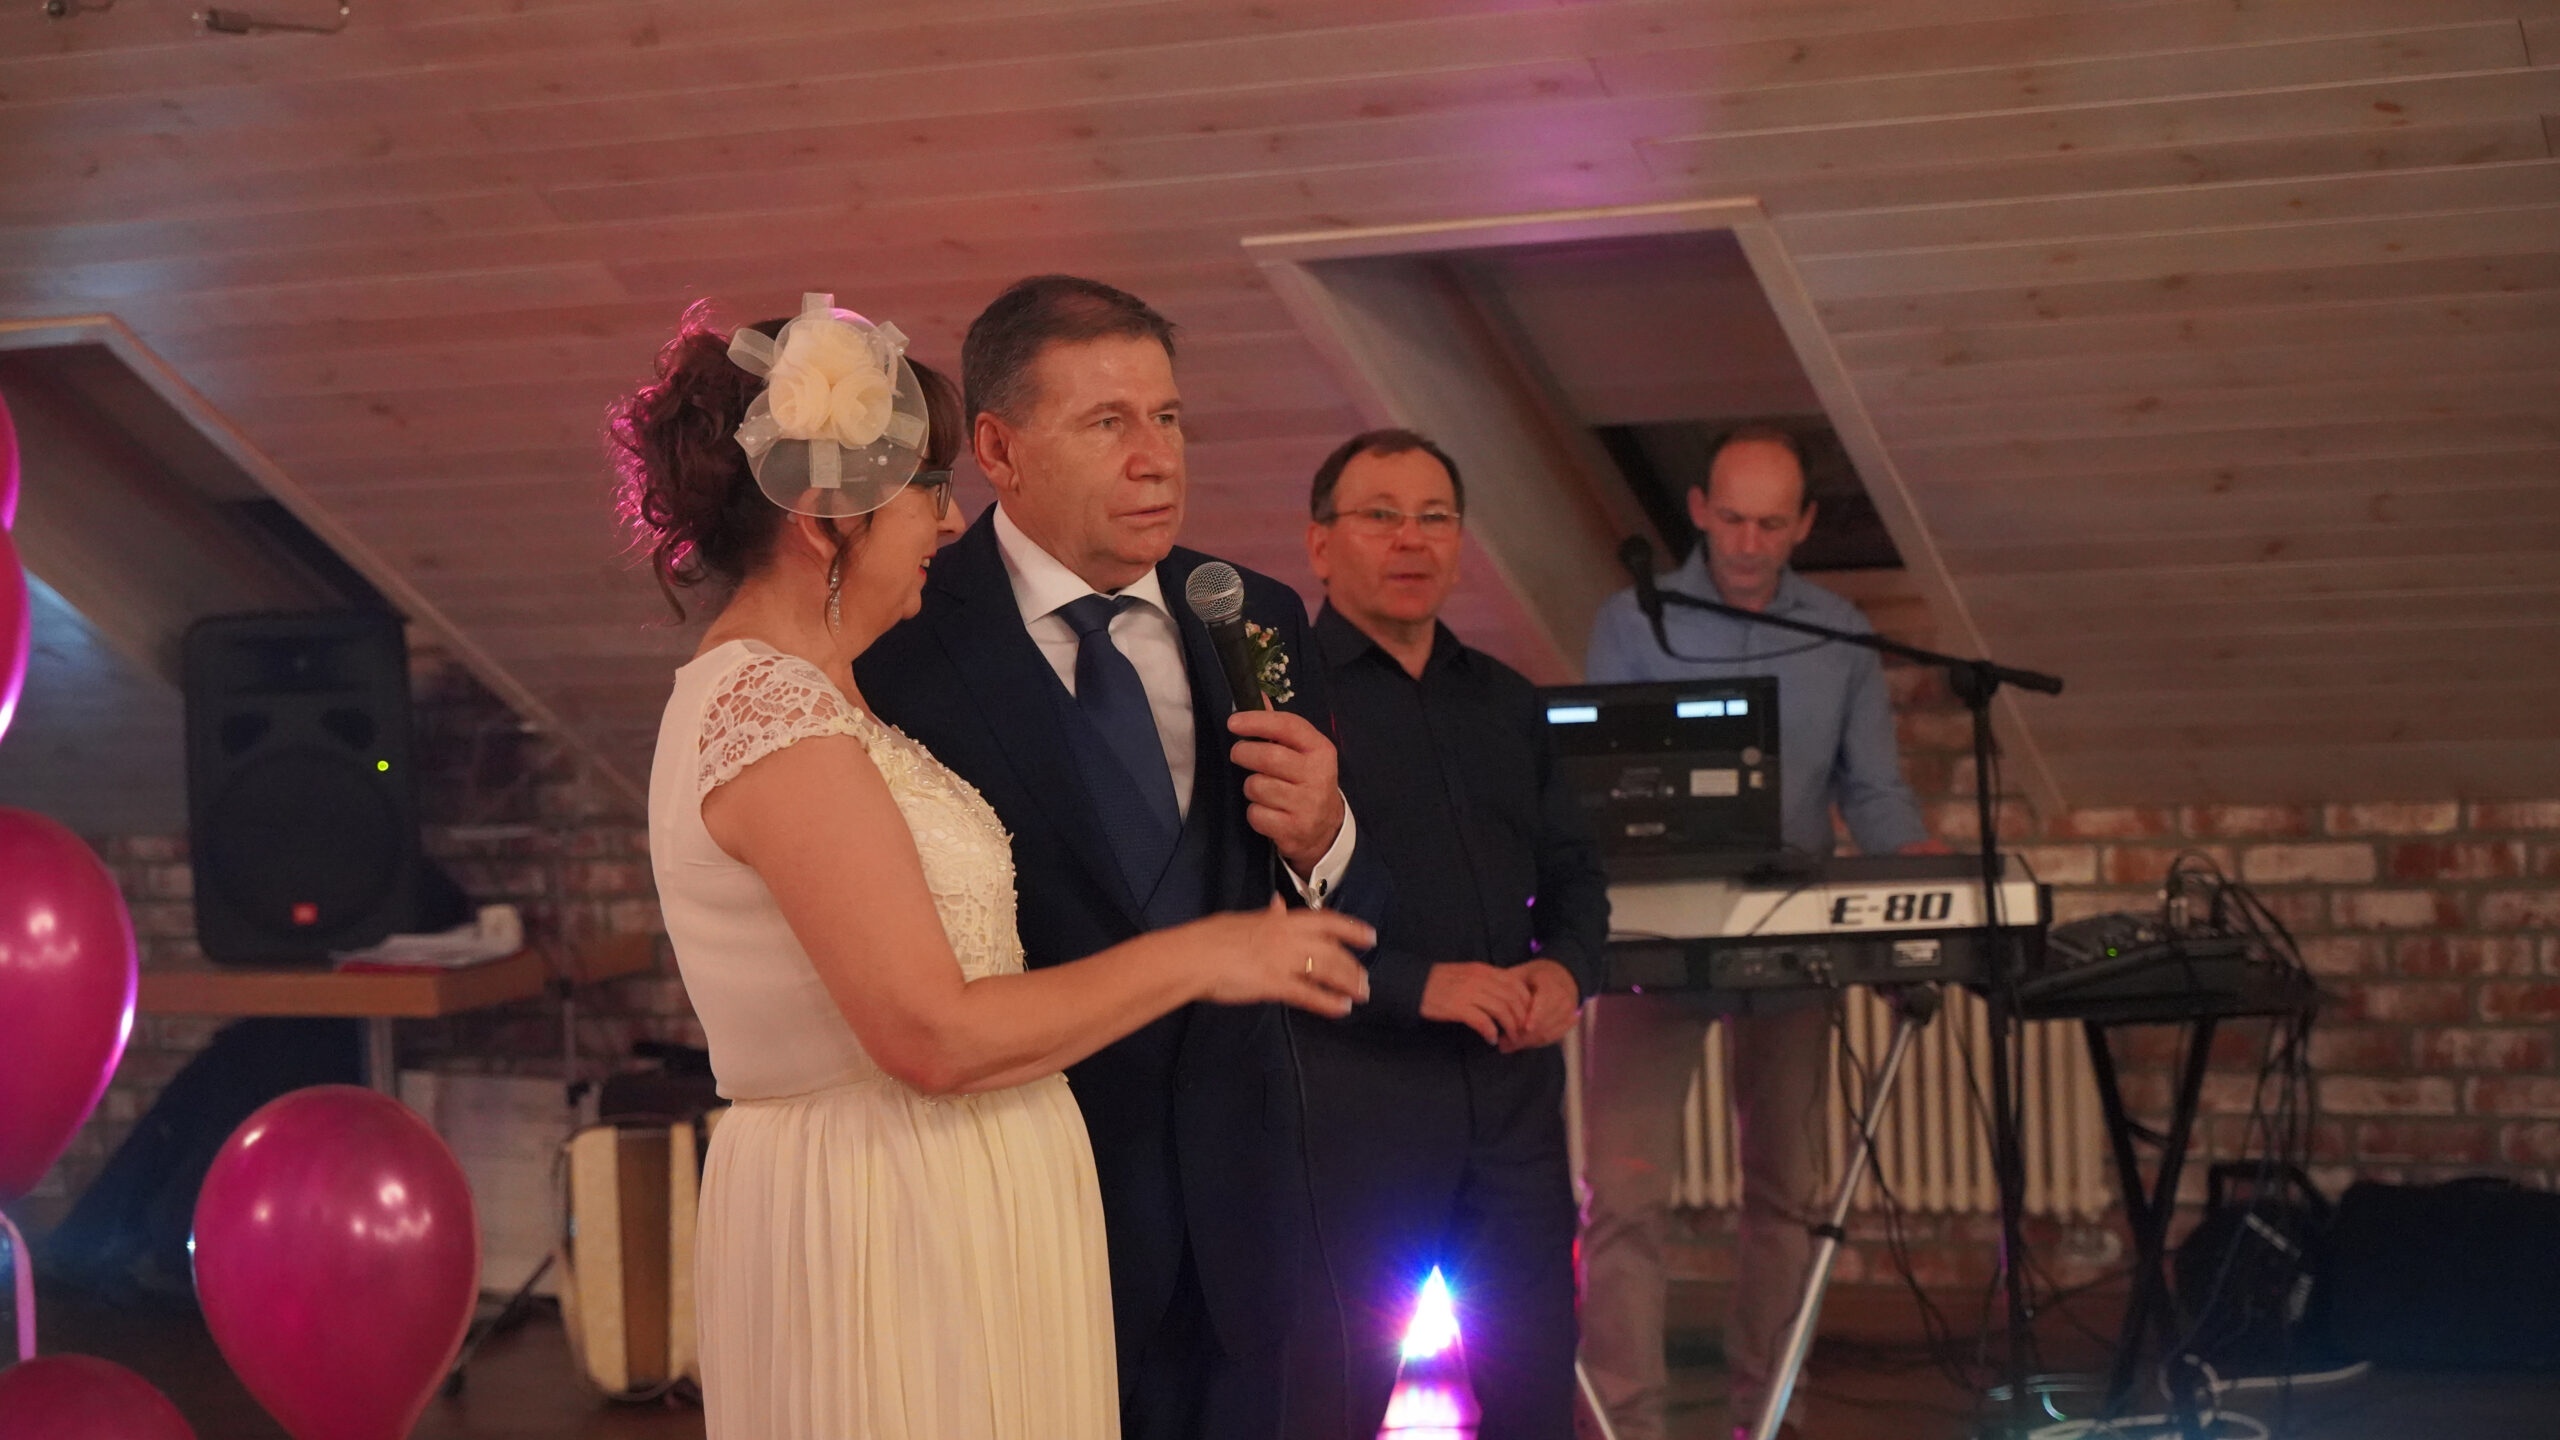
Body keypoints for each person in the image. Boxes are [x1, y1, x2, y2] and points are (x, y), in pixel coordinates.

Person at [620, 295, 1375, 1440]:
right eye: (925, 488)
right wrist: (1209, 953)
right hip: (897, 1211)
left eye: (1168, 418)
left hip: (1055, 1200)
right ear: (826, 522)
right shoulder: (780, 717)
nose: (947, 517)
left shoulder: (821, 695)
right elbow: (931, 1032)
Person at [853, 275, 1391, 1440]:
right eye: (1107, 423)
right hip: (1027, 1195)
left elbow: (1348, 909)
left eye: (1168, 418)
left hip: (1243, 1210)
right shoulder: (898, 641)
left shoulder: (1253, 614)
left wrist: (1323, 837)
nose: (1156, 460)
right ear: (997, 449)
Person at [1579, 425, 1941, 1440]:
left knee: (1785, 1195)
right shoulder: (1632, 619)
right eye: (1731, 519)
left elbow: (1873, 791)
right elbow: (1598, 781)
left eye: (1770, 525)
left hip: (1788, 942)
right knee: (1622, 1197)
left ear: (1804, 525)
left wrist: (1914, 865)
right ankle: (1624, 1426)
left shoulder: (1840, 632)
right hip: (1653, 942)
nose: (1746, 543)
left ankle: (1771, 1416)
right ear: (1697, 509)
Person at [1282, 429, 1608, 1440]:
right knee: (1331, 1404)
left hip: (1514, 1105)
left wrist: (1568, 971)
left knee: (1533, 1399)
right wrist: (1415, 982)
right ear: (1320, 544)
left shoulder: (1507, 700)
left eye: (1434, 518)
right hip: (1356, 1104)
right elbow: (1258, 909)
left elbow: (1576, 875)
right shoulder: (1286, 704)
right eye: (1380, 516)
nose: (1411, 539)